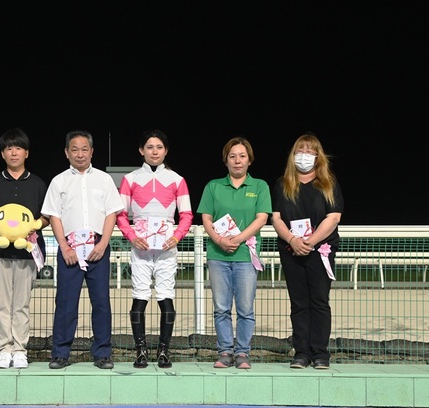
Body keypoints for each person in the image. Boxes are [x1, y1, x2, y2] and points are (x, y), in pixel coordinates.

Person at [41, 130, 124, 370]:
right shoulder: (59, 181)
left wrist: (103, 243)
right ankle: (60, 353)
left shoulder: (104, 180)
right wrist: (64, 247)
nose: (80, 154)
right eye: (74, 149)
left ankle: (102, 353)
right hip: (70, 248)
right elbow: (54, 216)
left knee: (101, 302)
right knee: (66, 302)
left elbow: (112, 213)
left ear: (92, 152)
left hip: (98, 247)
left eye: (84, 149)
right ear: (66, 152)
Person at [116, 129, 193, 368]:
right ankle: (141, 351)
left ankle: (163, 350)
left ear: (166, 151)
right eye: (149, 147)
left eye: (159, 147)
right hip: (141, 248)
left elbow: (187, 215)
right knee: (140, 297)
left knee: (165, 297)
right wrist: (132, 236)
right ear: (142, 150)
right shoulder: (130, 179)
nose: (154, 151)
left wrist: (176, 237)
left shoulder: (177, 180)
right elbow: (120, 215)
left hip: (167, 248)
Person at [0, 128, 49, 369]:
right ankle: (4, 349)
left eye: (18, 148)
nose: (14, 152)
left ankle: (20, 350)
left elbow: (46, 217)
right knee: (3, 303)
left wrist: (33, 228)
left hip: (28, 250)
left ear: (26, 153)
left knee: (21, 304)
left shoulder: (38, 184)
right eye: (9, 148)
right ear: (2, 154)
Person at [197, 137, 271, 370]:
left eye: (242, 156)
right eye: (232, 156)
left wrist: (238, 239)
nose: (237, 161)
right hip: (218, 255)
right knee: (221, 308)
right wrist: (219, 240)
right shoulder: (213, 186)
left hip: (246, 256)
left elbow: (262, 218)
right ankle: (225, 351)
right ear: (225, 160)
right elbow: (206, 218)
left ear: (249, 160)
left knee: (245, 308)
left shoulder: (259, 186)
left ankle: (242, 352)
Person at [271, 133, 343, 370]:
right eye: (300, 151)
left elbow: (333, 217)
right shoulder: (283, 185)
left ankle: (320, 353)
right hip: (291, 250)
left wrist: (310, 242)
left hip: (320, 251)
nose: (304, 156)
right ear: (293, 155)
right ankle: (301, 352)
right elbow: (276, 218)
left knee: (319, 301)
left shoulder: (328, 184)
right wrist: (293, 240)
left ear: (318, 156)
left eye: (310, 151)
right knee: (299, 302)